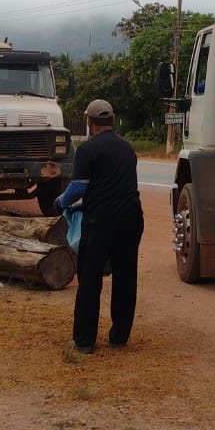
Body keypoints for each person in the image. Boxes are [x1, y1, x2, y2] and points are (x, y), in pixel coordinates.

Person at [55, 99, 143, 354]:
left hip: (100, 220)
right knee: (126, 276)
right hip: (131, 218)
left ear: (90, 122)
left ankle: (84, 341)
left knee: (90, 278)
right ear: (112, 120)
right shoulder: (127, 148)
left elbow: (78, 187)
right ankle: (119, 337)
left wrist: (60, 202)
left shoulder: (88, 150)